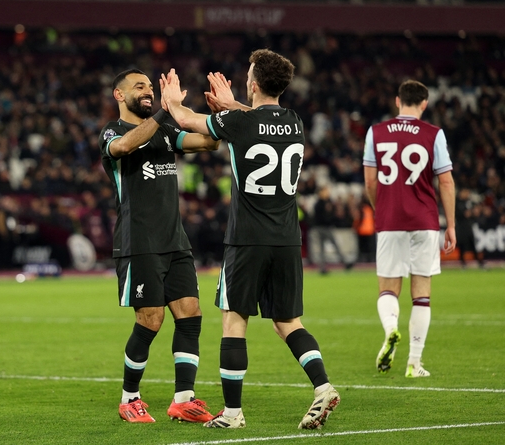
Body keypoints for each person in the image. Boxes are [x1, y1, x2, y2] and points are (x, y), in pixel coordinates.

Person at [161, 49, 340, 430]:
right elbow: (262, 120)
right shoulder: (294, 122)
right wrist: (233, 105)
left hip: (246, 239)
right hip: (288, 238)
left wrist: (174, 102)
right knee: (288, 322)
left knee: (234, 320)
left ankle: (232, 413)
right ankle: (322, 386)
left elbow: (187, 120)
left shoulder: (239, 124)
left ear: (253, 83)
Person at [100, 68, 221, 424]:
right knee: (150, 320)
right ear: (119, 95)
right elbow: (122, 148)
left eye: (151, 87)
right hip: (139, 243)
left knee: (190, 314)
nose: (148, 91)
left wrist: (214, 115)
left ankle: (183, 399)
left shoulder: (165, 132)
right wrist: (166, 112)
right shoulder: (113, 131)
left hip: (174, 241)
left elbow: (208, 143)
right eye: (139, 87)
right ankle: (129, 399)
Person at [363, 79, 456, 378]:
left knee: (388, 288)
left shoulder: (375, 132)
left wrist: (383, 210)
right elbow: (445, 181)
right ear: (424, 104)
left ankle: (391, 330)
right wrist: (451, 224)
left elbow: (369, 181)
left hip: (390, 220)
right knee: (422, 292)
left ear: (397, 101)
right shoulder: (433, 134)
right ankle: (414, 363)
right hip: (424, 220)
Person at [311, 186, 352, 274]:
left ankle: (343, 263)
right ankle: (324, 267)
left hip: (325, 227)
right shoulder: (319, 204)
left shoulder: (327, 202)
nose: (327, 193)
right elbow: (320, 217)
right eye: (325, 191)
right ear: (320, 193)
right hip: (321, 228)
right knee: (326, 247)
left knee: (330, 246)